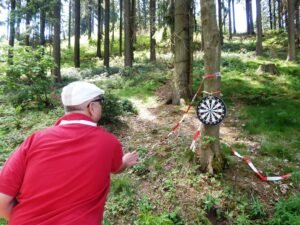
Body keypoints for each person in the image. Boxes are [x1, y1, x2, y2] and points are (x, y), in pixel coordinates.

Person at [0, 81, 139, 225]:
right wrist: (126, 161)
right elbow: (116, 168)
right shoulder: (109, 143)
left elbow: (2, 200)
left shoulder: (35, 140)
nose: (101, 105)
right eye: (100, 101)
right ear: (92, 107)